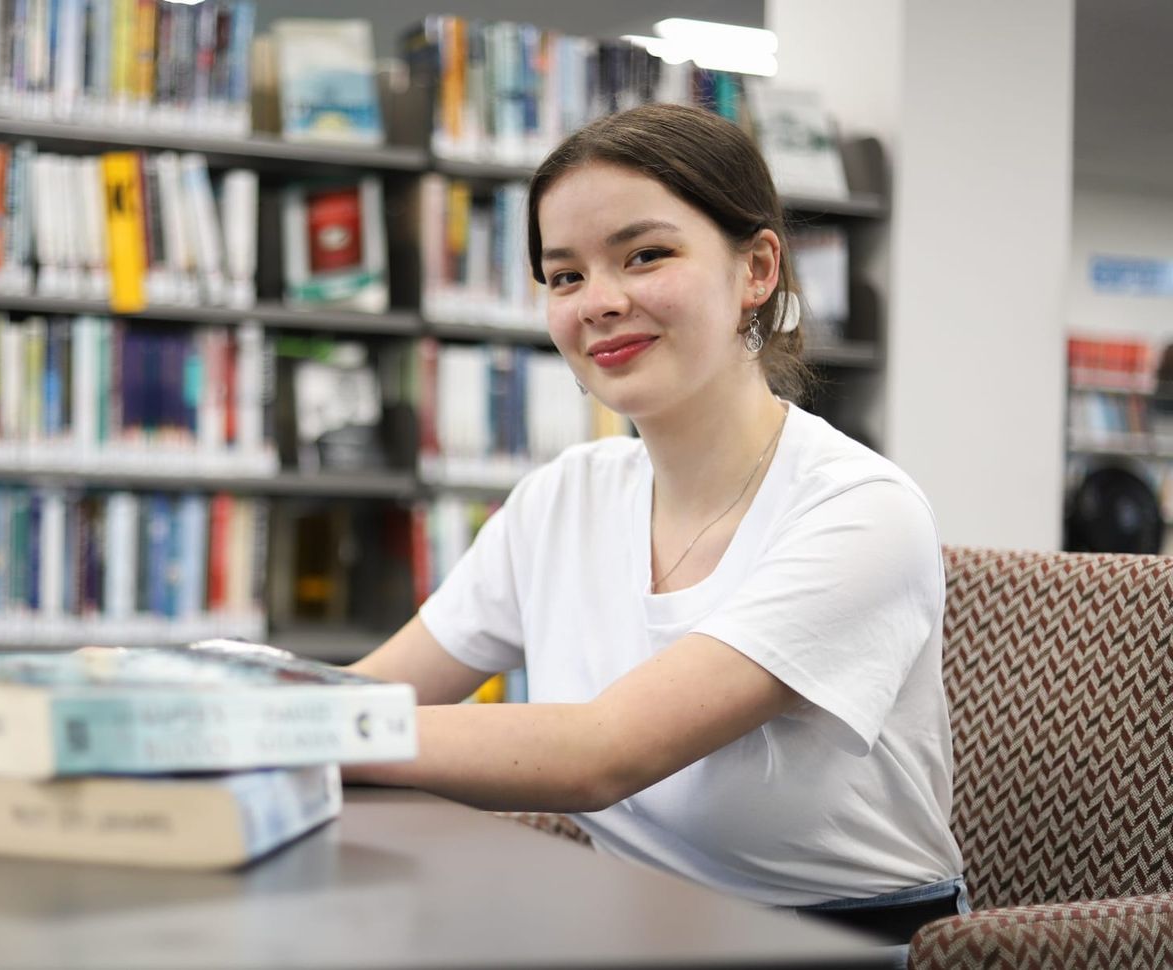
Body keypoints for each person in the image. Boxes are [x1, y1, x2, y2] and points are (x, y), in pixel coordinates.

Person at [346, 103, 965, 951]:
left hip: (837, 947)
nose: (599, 302)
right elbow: (379, 694)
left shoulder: (861, 510)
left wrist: (290, 732)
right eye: (565, 277)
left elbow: (603, 754)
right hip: (628, 928)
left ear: (756, 269)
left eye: (645, 255)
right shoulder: (563, 498)